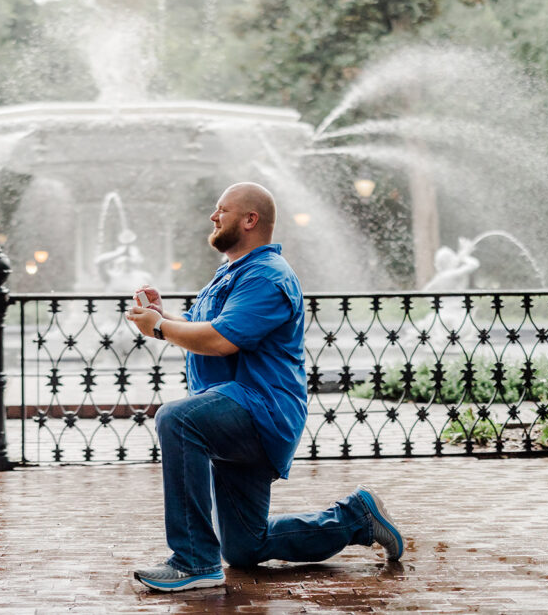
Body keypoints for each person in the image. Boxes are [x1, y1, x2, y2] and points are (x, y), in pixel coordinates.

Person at [125, 182, 404, 592]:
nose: (213, 216)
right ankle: (356, 517)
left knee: (177, 419)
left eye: (222, 209)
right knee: (244, 547)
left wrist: (162, 328)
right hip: (231, 411)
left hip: (258, 411)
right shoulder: (235, 272)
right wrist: (163, 314)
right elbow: (210, 326)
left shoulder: (267, 276)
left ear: (250, 219)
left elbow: (222, 340)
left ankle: (193, 561)